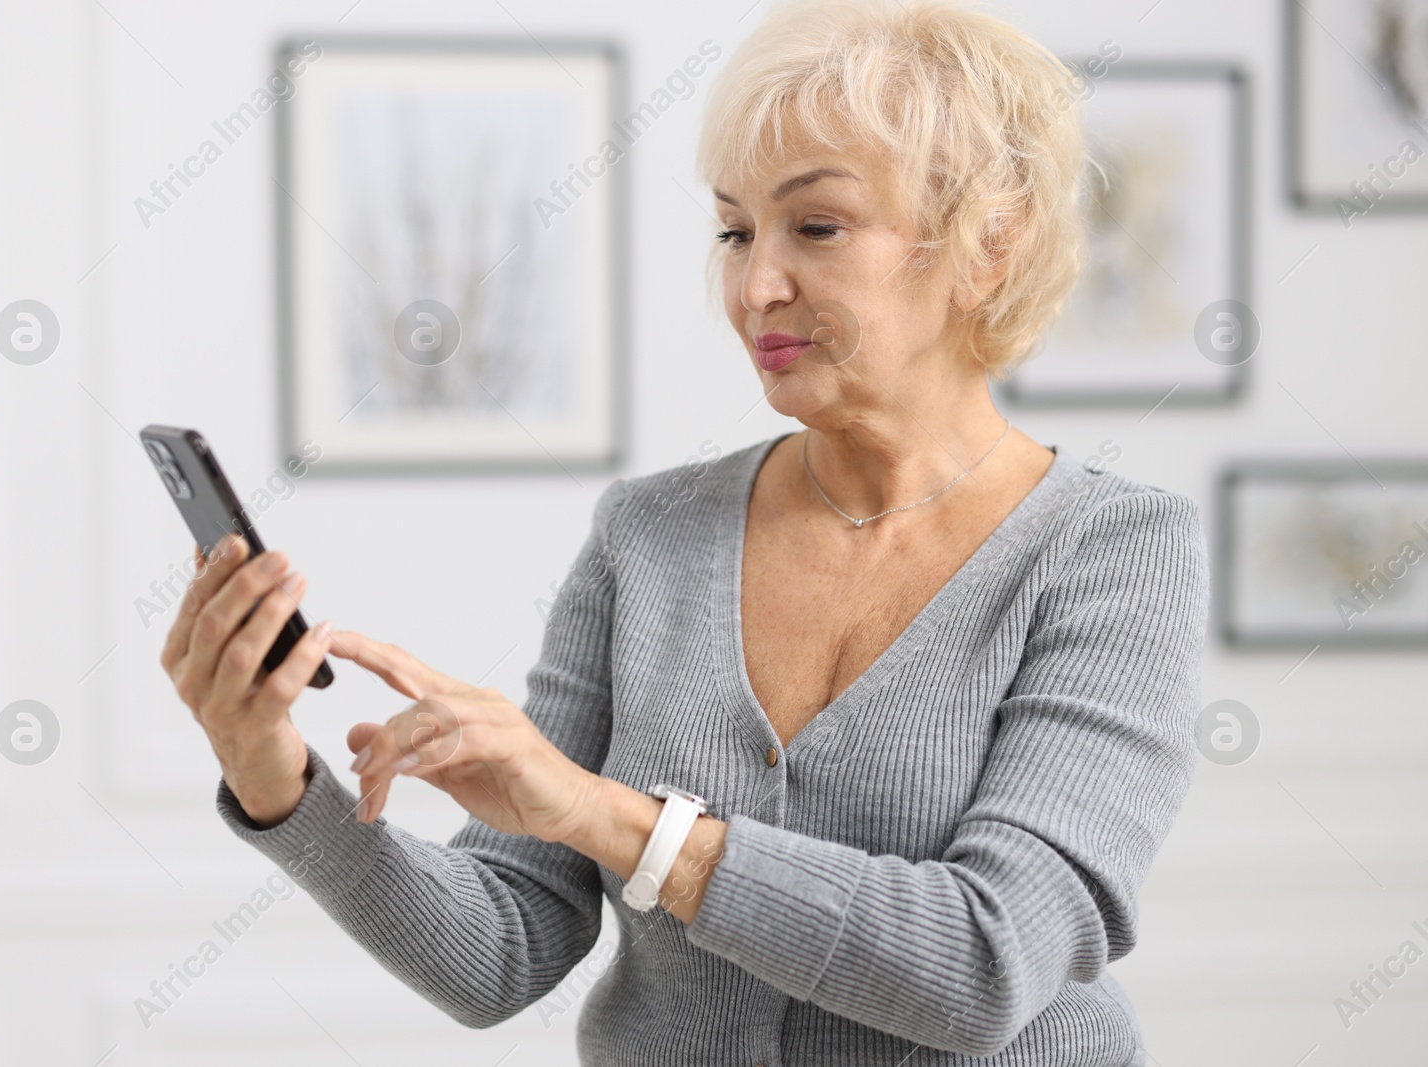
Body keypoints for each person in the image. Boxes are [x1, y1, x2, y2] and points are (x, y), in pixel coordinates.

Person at [160, 1, 1209, 1062]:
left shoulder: (1112, 554)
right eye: (733, 229)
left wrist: (612, 818)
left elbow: (985, 964)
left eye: (818, 226)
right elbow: (500, 948)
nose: (755, 286)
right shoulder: (649, 534)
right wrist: (271, 769)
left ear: (990, 241)